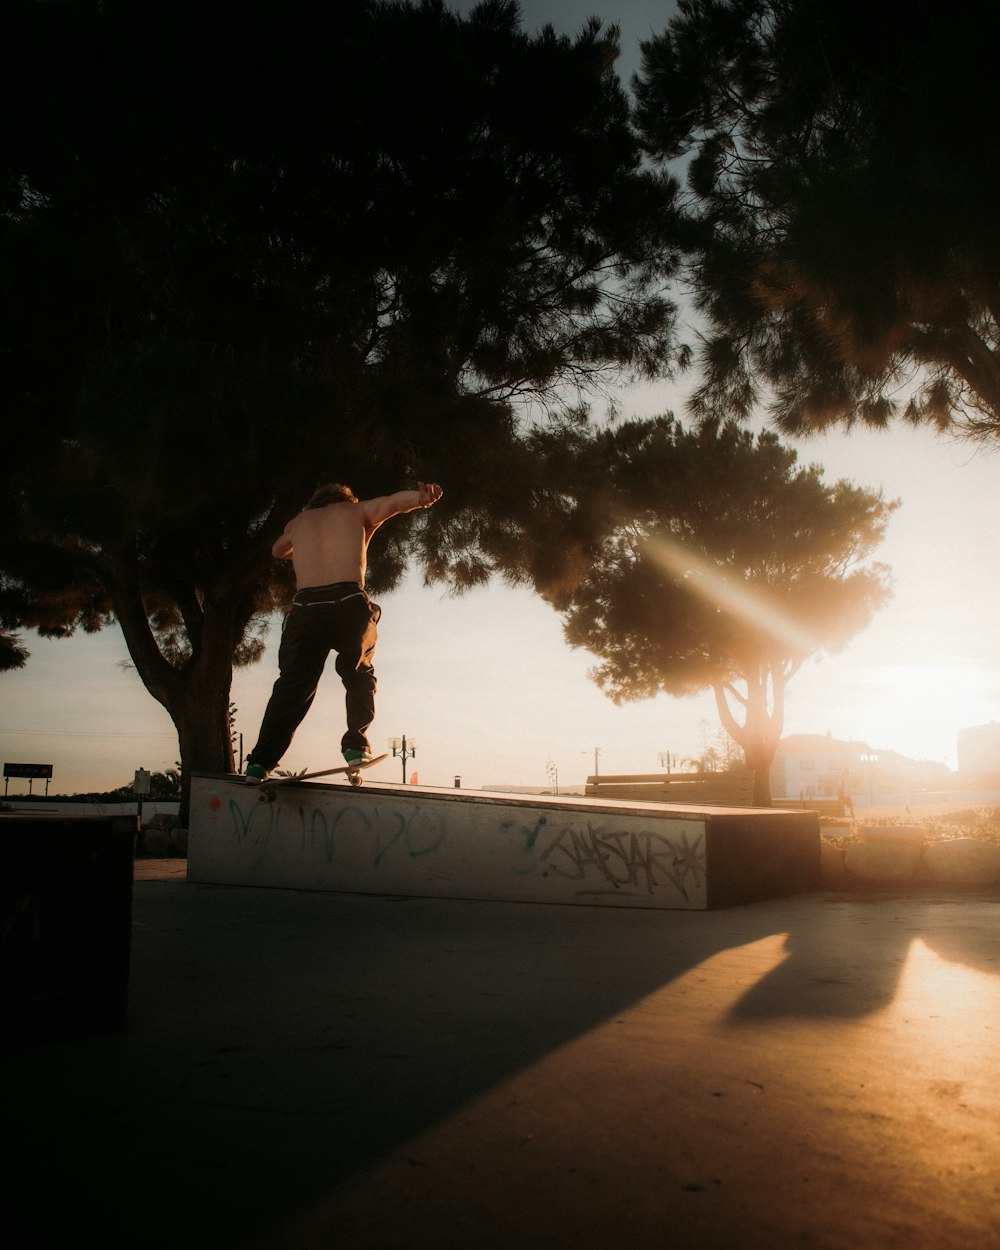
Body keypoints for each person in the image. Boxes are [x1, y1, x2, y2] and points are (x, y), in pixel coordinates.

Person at [244, 480, 443, 781]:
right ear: (346, 499)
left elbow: (277, 550)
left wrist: (300, 547)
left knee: (291, 688)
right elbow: (392, 503)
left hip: (306, 609)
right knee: (358, 672)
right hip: (347, 603)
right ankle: (355, 746)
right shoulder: (357, 510)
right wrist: (421, 498)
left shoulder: (299, 522)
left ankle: (259, 764)